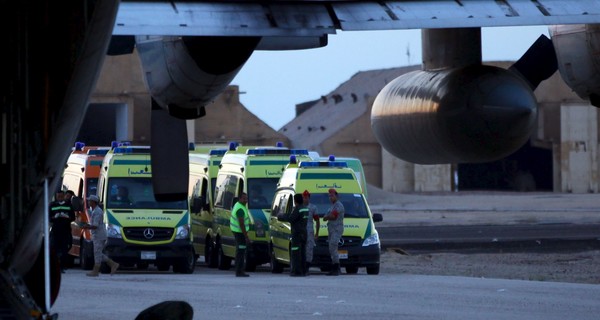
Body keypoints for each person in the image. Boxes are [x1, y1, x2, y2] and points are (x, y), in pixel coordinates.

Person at [83, 195, 119, 276]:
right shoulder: (95, 211)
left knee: (97, 253)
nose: (88, 202)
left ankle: (96, 270)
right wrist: (87, 225)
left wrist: (86, 227)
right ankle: (113, 264)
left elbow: (95, 226)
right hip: (97, 235)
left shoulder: (98, 212)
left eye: (90, 201)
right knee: (98, 253)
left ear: (93, 202)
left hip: (99, 235)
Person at [277, 193, 308, 276]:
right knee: (303, 253)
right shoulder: (305, 209)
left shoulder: (297, 209)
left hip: (297, 234)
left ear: (295, 201)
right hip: (304, 233)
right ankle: (303, 270)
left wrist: (282, 216)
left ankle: (296, 271)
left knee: (295, 253)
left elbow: (291, 219)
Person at [49, 190, 75, 273]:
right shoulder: (52, 205)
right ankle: (54, 267)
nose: (59, 198)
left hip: (65, 230)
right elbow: (48, 217)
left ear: (64, 196)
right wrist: (54, 217)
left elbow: (73, 217)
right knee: (54, 249)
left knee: (64, 250)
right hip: (55, 230)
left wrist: (67, 216)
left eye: (61, 196)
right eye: (58, 196)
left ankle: (62, 267)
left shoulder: (68, 205)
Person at [323, 188, 344, 276]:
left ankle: (336, 267)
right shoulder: (332, 206)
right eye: (329, 196)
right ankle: (335, 267)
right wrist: (327, 216)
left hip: (336, 229)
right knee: (331, 248)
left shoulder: (338, 206)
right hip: (331, 229)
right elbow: (326, 216)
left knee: (333, 247)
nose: (331, 198)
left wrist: (327, 217)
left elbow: (333, 216)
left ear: (336, 196)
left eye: (332, 196)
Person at [230, 192, 251, 277]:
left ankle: (239, 271)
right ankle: (239, 271)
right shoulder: (240, 209)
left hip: (238, 232)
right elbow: (241, 224)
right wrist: (246, 236)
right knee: (241, 253)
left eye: (246, 198)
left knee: (240, 252)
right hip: (240, 233)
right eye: (244, 199)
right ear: (240, 199)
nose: (246, 200)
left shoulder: (238, 205)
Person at [302, 190, 319, 274]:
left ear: (309, 198)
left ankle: (307, 267)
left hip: (309, 231)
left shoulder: (313, 208)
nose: (305, 199)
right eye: (304, 198)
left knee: (309, 249)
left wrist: (317, 233)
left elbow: (317, 220)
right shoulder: (299, 207)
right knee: (301, 248)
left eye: (306, 198)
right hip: (301, 231)